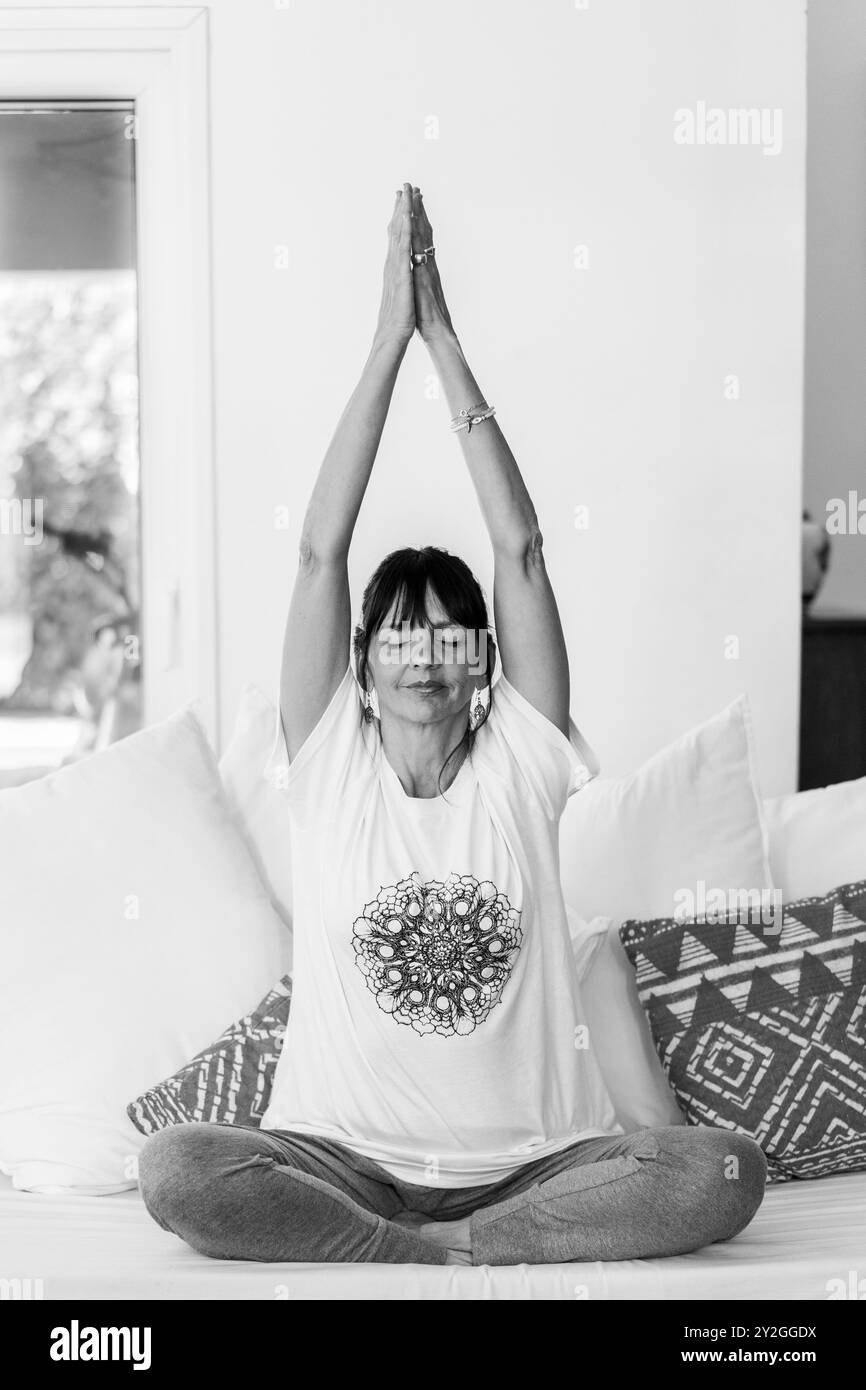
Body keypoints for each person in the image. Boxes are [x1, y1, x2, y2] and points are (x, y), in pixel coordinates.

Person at [138, 183, 767, 1266]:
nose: (423, 653)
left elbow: (521, 550)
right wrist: (387, 338)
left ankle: (456, 1236)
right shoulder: (328, 761)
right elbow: (314, 555)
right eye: (397, 637)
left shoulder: (521, 757)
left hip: (531, 1164)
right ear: (363, 671)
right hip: (341, 1156)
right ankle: (416, 1243)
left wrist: (446, 344)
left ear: (481, 663)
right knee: (176, 1169)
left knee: (716, 1169)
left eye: (448, 636)